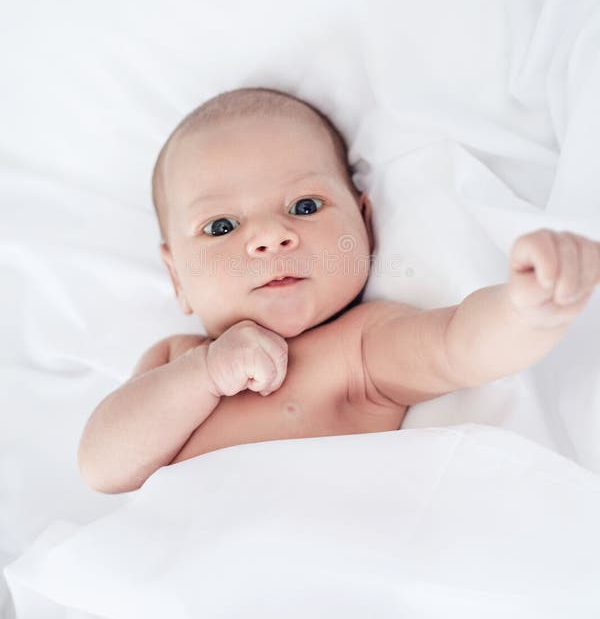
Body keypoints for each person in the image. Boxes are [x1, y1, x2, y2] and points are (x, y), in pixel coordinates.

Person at [77, 88, 600, 494]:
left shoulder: (361, 347)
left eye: (304, 206)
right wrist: (207, 373)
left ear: (365, 225)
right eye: (221, 227)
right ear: (176, 278)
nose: (268, 237)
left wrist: (529, 308)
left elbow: (459, 345)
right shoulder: (176, 362)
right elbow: (103, 467)